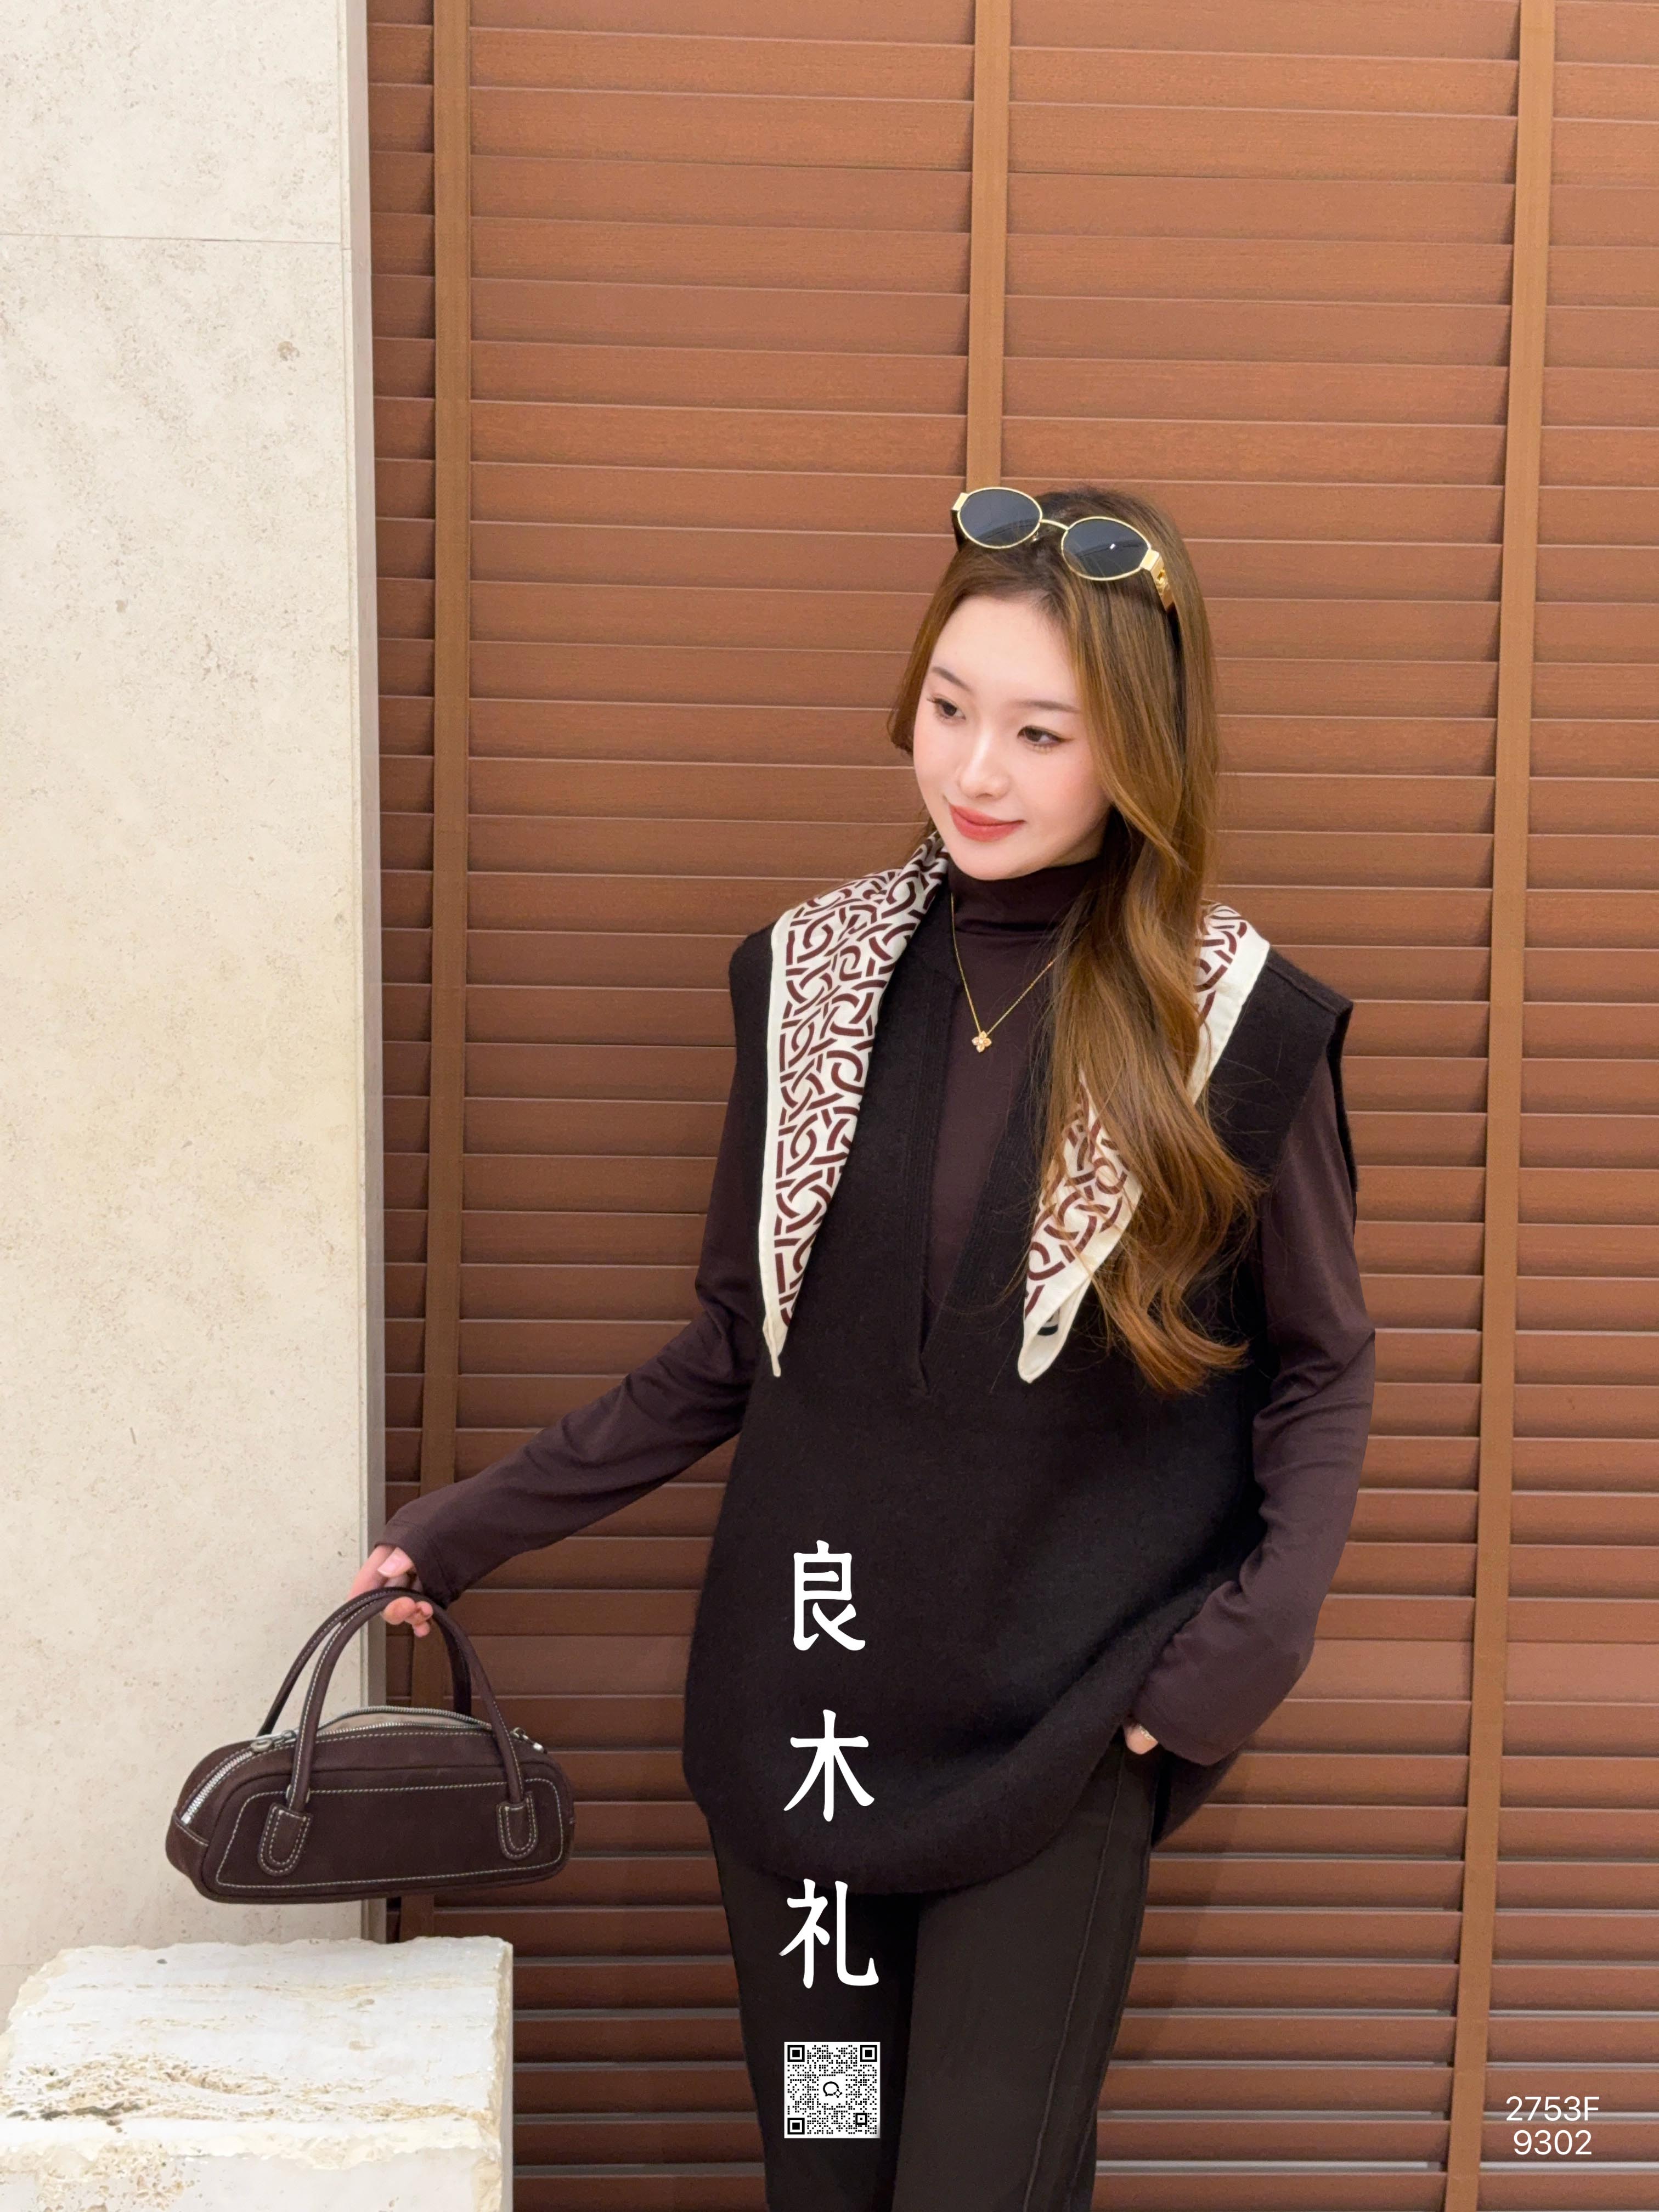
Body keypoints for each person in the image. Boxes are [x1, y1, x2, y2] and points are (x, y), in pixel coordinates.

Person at [351, 484, 1376, 2211]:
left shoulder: (1234, 1023)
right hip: (810, 1744)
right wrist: (462, 1533)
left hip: (1056, 1748)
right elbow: (733, 1350)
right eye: (950, 708)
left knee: (978, 2181)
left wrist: (1232, 1664)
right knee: (829, 2169)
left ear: (1139, 750)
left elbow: (1324, 1361)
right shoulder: (807, 979)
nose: (977, 770)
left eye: (1043, 732)